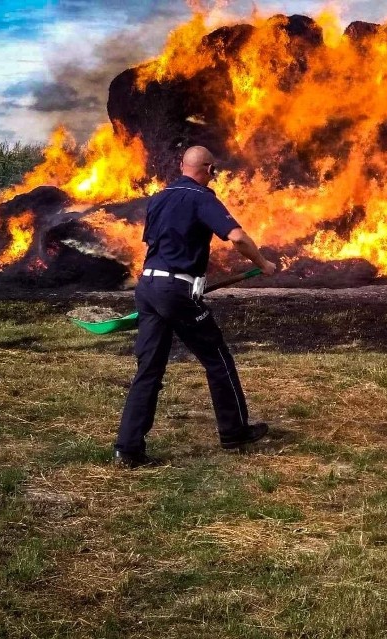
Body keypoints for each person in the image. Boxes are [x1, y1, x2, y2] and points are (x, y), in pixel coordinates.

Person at [113, 146, 276, 468]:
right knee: (218, 360)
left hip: (148, 286)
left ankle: (128, 448)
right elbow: (238, 237)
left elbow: (162, 244)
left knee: (149, 369)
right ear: (209, 169)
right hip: (175, 291)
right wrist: (262, 262)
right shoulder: (202, 197)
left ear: (181, 166)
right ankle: (235, 431)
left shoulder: (159, 198)